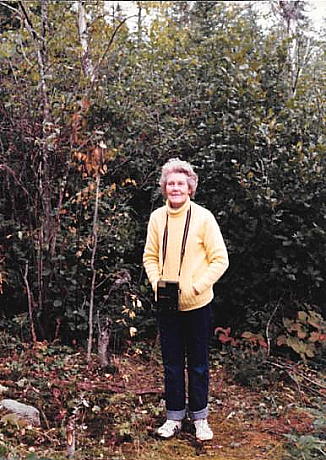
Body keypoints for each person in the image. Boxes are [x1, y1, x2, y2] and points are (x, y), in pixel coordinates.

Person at [143, 158, 229, 441]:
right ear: (164, 188)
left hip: (197, 303)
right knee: (171, 363)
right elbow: (150, 257)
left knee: (199, 363)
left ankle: (200, 418)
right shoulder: (157, 218)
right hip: (167, 303)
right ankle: (174, 417)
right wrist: (157, 284)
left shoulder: (204, 218)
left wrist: (196, 287)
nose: (175, 188)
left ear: (190, 187)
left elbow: (220, 260)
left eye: (181, 183)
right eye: (171, 183)